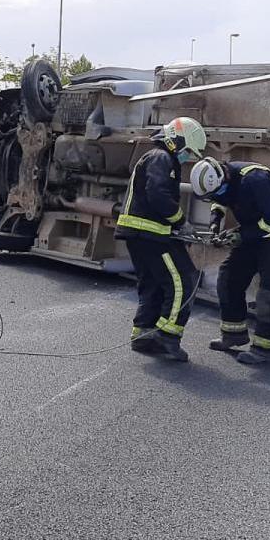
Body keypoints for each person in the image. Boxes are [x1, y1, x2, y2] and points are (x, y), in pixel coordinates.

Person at [190, 156, 270, 365]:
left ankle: (264, 348)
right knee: (229, 277)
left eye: (218, 191)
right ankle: (234, 334)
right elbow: (219, 200)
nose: (217, 196)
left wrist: (241, 236)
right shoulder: (222, 182)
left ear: (224, 178)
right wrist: (215, 222)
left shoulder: (255, 179)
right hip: (256, 230)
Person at [114, 117, 206, 363]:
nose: (188, 158)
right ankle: (168, 337)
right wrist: (181, 222)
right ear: (176, 141)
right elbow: (158, 195)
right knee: (183, 281)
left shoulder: (156, 157)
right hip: (150, 234)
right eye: (187, 152)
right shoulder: (161, 158)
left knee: (153, 283)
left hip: (143, 234)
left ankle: (143, 334)